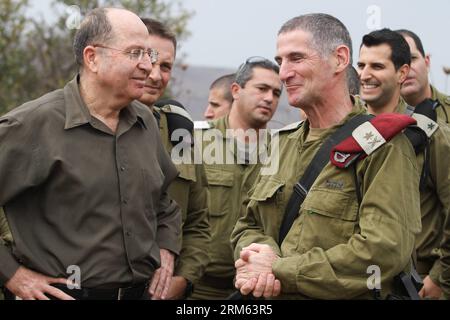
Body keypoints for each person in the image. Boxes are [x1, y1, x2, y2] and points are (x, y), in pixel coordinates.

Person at [231, 13, 422, 299]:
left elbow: (382, 252)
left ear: (340, 59)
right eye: (280, 61)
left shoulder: (383, 147)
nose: (283, 73)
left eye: (296, 58)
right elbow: (247, 224)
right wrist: (258, 257)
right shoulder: (280, 143)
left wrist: (281, 269)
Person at [0, 8, 181, 300]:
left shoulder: (145, 121)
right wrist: (14, 276)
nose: (148, 66)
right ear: (92, 58)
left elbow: (164, 203)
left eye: (149, 54)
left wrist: (166, 248)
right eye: (135, 53)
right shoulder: (33, 124)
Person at [358, 28, 450, 299]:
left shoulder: (437, 135)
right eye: (362, 66)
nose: (366, 74)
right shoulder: (355, 129)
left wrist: (440, 278)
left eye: (377, 65)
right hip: (360, 276)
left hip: (418, 278)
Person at [191, 57, 282, 299]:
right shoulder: (195, 141)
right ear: (236, 91)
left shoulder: (284, 150)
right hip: (197, 287)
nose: (269, 98)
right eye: (261, 89)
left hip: (256, 290)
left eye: (276, 92)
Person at [138, 17, 210, 300]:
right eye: (148, 59)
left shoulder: (181, 132)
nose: (155, 75)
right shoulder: (83, 125)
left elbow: (198, 223)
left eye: (165, 66)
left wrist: (183, 281)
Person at [396, 29, 450, 123]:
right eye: (398, 62)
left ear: (427, 62)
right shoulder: (376, 116)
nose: (406, 68)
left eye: (412, 58)